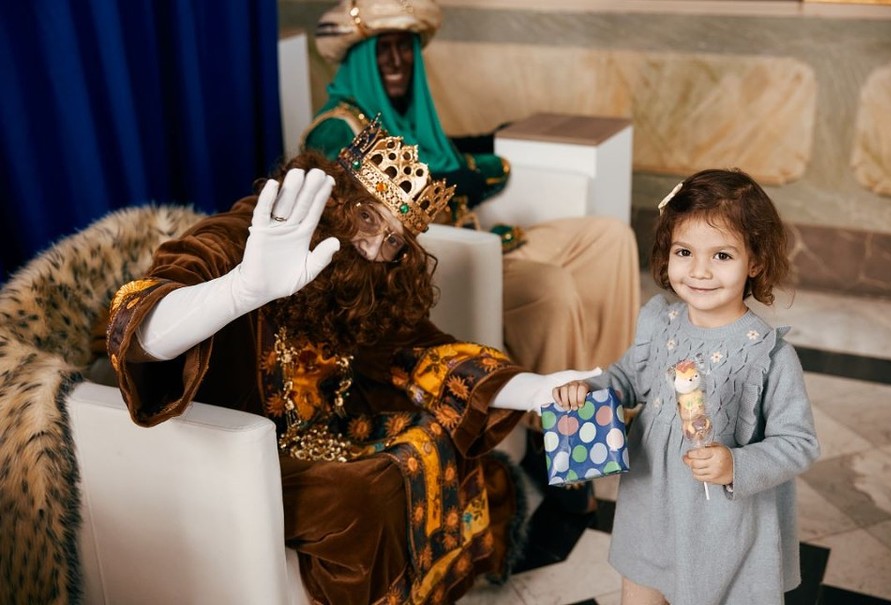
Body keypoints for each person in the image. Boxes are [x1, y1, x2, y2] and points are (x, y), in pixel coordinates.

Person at [106, 119, 600, 605]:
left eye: (393, 241)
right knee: (367, 497)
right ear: (338, 198)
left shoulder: (370, 277)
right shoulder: (251, 235)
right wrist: (241, 290)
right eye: (367, 218)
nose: (373, 246)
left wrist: (537, 389)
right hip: (236, 450)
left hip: (329, 428)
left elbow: (425, 353)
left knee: (441, 431)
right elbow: (137, 324)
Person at [305, 0, 640, 375]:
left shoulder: (402, 117)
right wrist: (468, 178)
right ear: (360, 58)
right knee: (550, 288)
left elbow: (441, 153)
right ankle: (562, 407)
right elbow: (355, 231)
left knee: (611, 237)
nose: (397, 61)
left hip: (482, 238)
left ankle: (611, 383)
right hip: (439, 264)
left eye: (405, 48)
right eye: (383, 49)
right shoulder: (338, 129)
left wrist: (489, 148)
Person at [551, 168, 821, 605]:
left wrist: (736, 465)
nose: (699, 271)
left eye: (722, 256)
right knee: (640, 587)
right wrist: (588, 388)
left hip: (722, 523)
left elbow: (799, 443)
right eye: (684, 252)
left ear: (755, 262)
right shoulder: (660, 322)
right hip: (651, 503)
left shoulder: (767, 354)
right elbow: (627, 379)